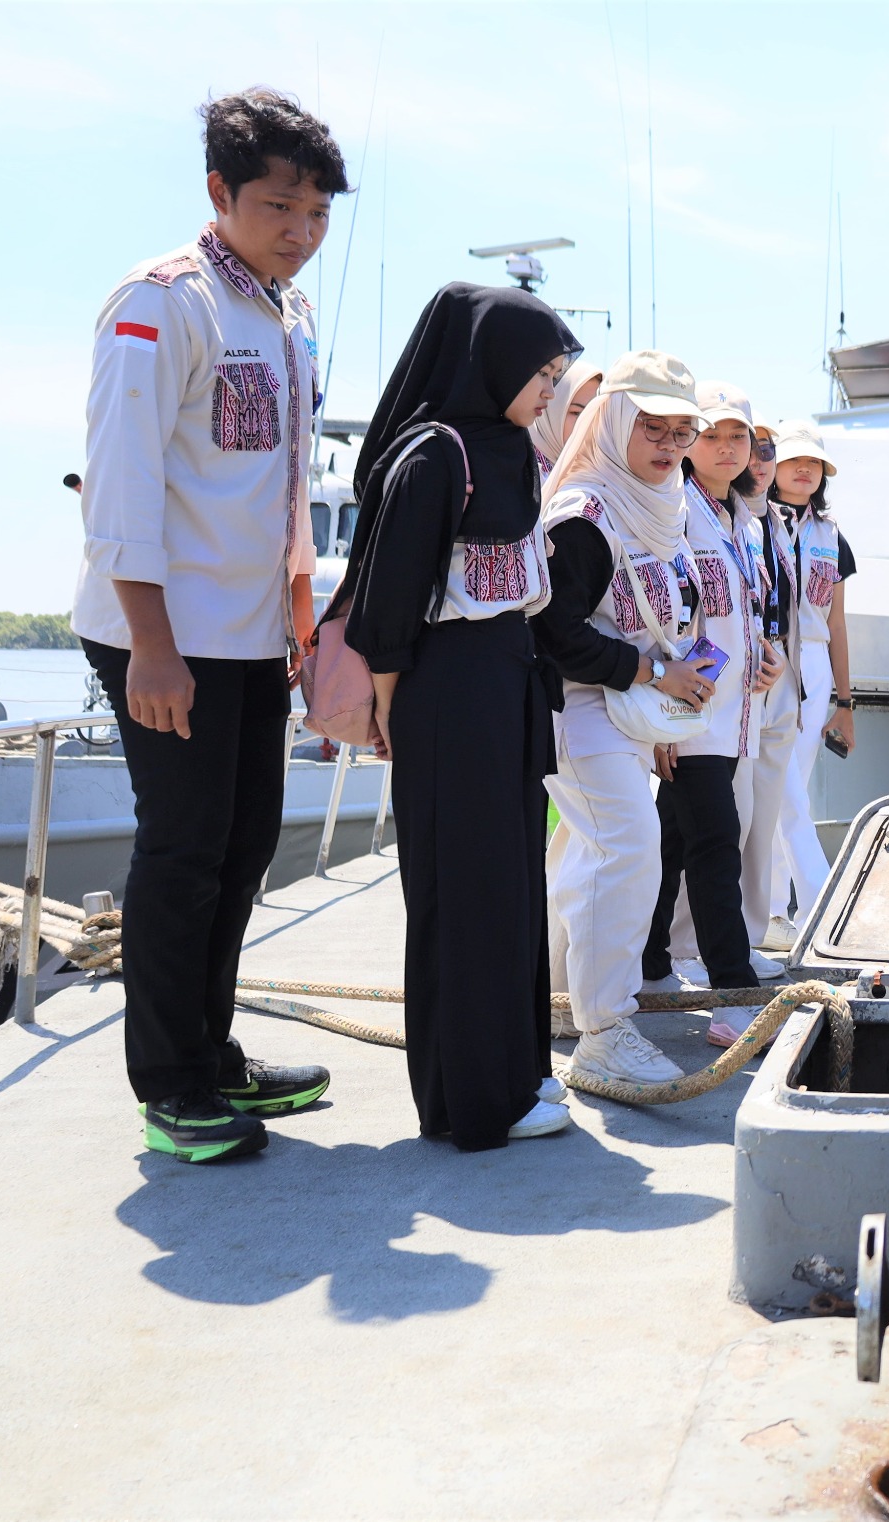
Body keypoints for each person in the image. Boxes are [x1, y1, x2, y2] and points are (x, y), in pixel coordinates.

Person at [71, 89, 346, 1164]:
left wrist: (297, 619)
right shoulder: (160, 304)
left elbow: (283, 490)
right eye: (280, 206)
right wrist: (151, 644)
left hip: (250, 632)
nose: (301, 231)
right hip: (164, 630)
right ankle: (170, 1086)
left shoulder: (289, 316)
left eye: (317, 213)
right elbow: (122, 482)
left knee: (242, 849)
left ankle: (212, 1051)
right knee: (184, 850)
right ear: (220, 192)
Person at [342, 284, 577, 1148]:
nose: (550, 390)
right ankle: (475, 1101)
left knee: (511, 887)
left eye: (555, 374)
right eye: (541, 373)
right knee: (465, 893)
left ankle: (518, 1073)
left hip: (509, 684)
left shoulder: (513, 452)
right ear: (493, 364)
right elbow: (388, 609)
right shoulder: (434, 457)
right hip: (448, 691)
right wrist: (391, 714)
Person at [533, 352, 716, 1086]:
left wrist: (667, 699)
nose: (670, 445)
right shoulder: (585, 515)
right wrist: (655, 675)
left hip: (628, 716)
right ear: (613, 422)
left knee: (586, 855)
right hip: (582, 711)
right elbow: (554, 632)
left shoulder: (660, 503)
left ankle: (557, 998)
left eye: (682, 431)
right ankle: (604, 1030)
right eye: (653, 427)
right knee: (629, 849)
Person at [641, 382, 784, 1047]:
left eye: (739, 437)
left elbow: (744, 612)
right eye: (712, 435)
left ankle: (650, 966)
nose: (727, 448)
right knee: (716, 842)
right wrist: (662, 715)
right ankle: (733, 993)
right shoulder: (673, 510)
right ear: (690, 441)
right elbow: (663, 614)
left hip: (733, 713)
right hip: (689, 712)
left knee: (674, 843)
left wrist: (767, 656)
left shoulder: (745, 521)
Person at [766, 422, 855, 942]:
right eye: (793, 459)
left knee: (790, 787)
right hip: (768, 658)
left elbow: (837, 623)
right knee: (783, 790)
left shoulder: (831, 534)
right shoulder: (752, 519)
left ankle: (775, 913)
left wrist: (846, 702)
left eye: (814, 462)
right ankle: (819, 905)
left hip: (816, 665)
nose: (804, 469)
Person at [738, 415, 804, 953]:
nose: (759, 461)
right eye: (751, 448)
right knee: (730, 818)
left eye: (767, 451)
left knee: (764, 815)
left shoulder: (780, 523)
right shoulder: (706, 513)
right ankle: (690, 942)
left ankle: (753, 931)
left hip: (778, 671)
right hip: (732, 681)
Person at [529, 357, 603, 480]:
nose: (588, 423)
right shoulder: (522, 472)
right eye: (576, 413)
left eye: (595, 413)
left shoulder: (593, 474)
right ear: (551, 410)